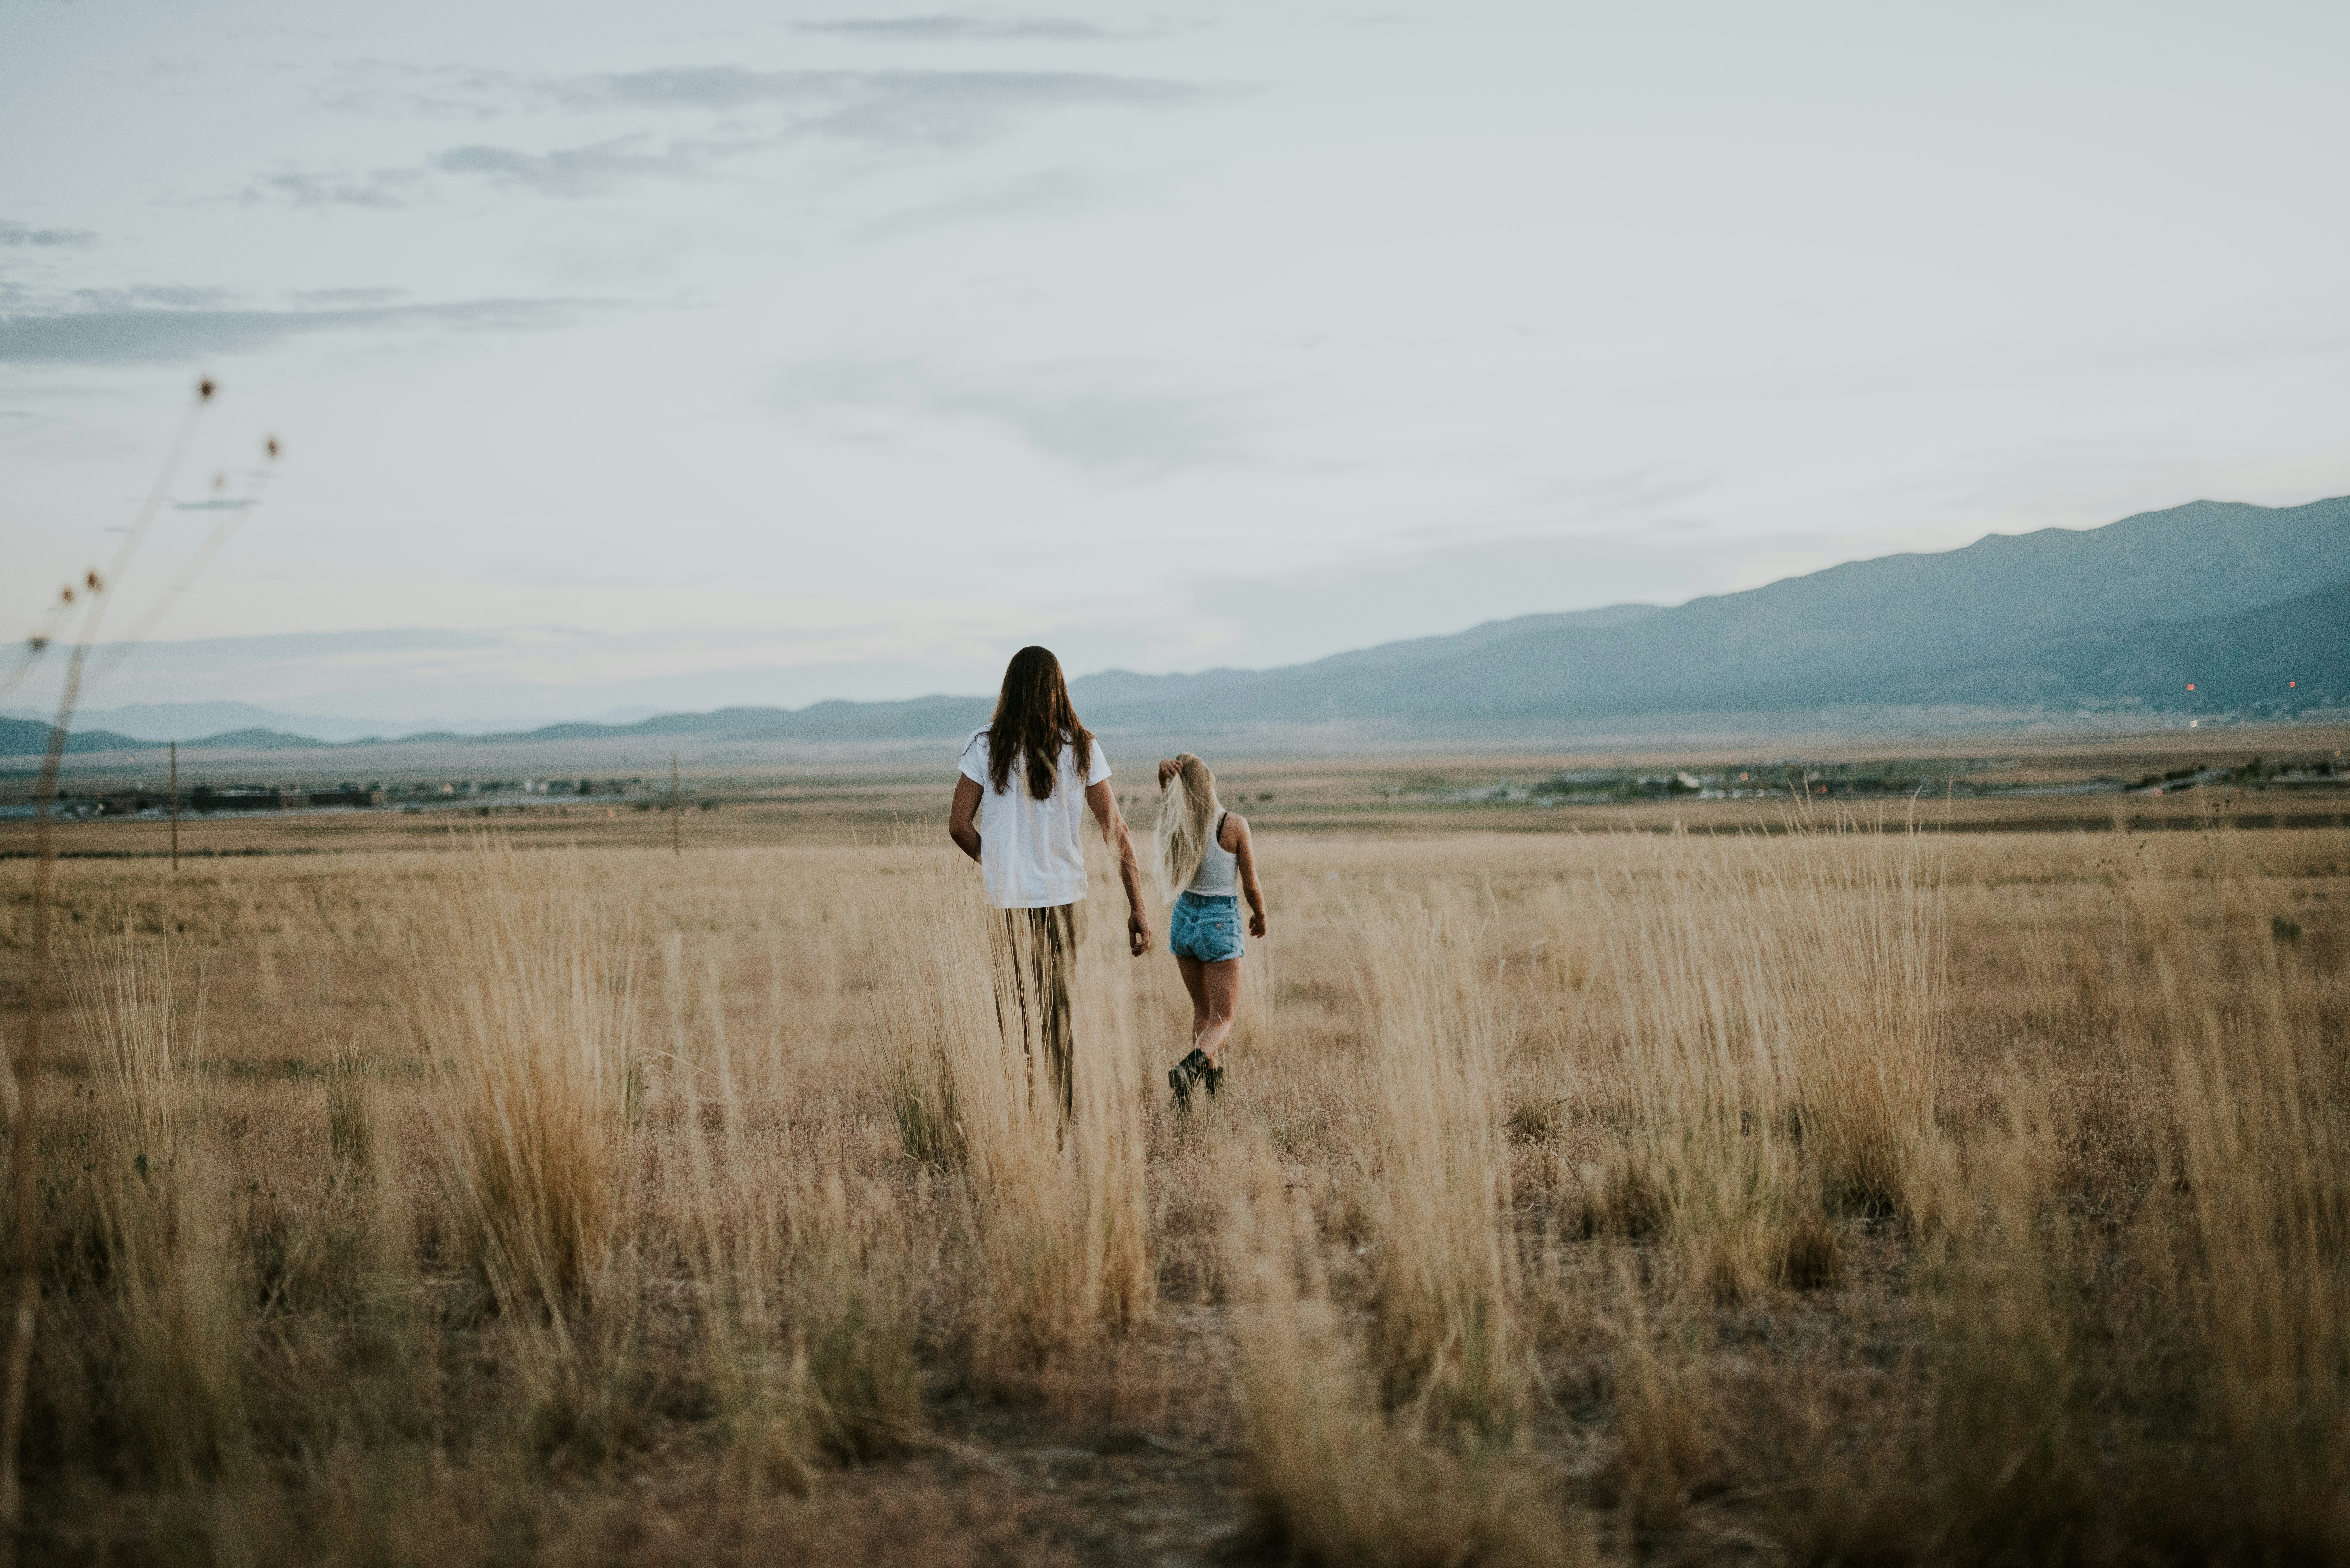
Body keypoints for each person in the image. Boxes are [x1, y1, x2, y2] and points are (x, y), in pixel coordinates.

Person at [948, 646, 1150, 1127]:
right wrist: (1137, 905)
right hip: (1064, 902)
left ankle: (1020, 1118)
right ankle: (1055, 1128)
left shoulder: (985, 745)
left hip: (1008, 903)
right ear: (1059, 687)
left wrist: (998, 864)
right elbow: (1116, 832)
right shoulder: (1081, 747)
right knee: (1057, 1016)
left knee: (1013, 1016)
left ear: (1009, 687)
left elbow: (958, 825)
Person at [1152, 752, 1266, 1104]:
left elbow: (1169, 802)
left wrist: (1163, 779)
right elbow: (1250, 884)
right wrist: (1260, 914)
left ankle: (1210, 1089)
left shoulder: (1177, 822)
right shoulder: (1233, 825)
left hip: (1183, 920)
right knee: (1223, 1019)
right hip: (1219, 922)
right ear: (1210, 782)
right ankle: (1188, 1069)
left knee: (1202, 1012)